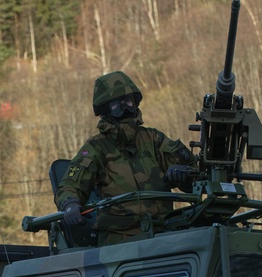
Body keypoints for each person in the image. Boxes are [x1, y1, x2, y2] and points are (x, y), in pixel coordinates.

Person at [54, 71, 196, 246]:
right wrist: (70, 204)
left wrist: (183, 173)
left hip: (162, 232)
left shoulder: (153, 138)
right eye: (117, 105)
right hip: (119, 240)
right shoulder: (96, 147)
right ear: (105, 110)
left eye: (128, 102)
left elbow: (195, 174)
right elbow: (69, 186)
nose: (125, 109)